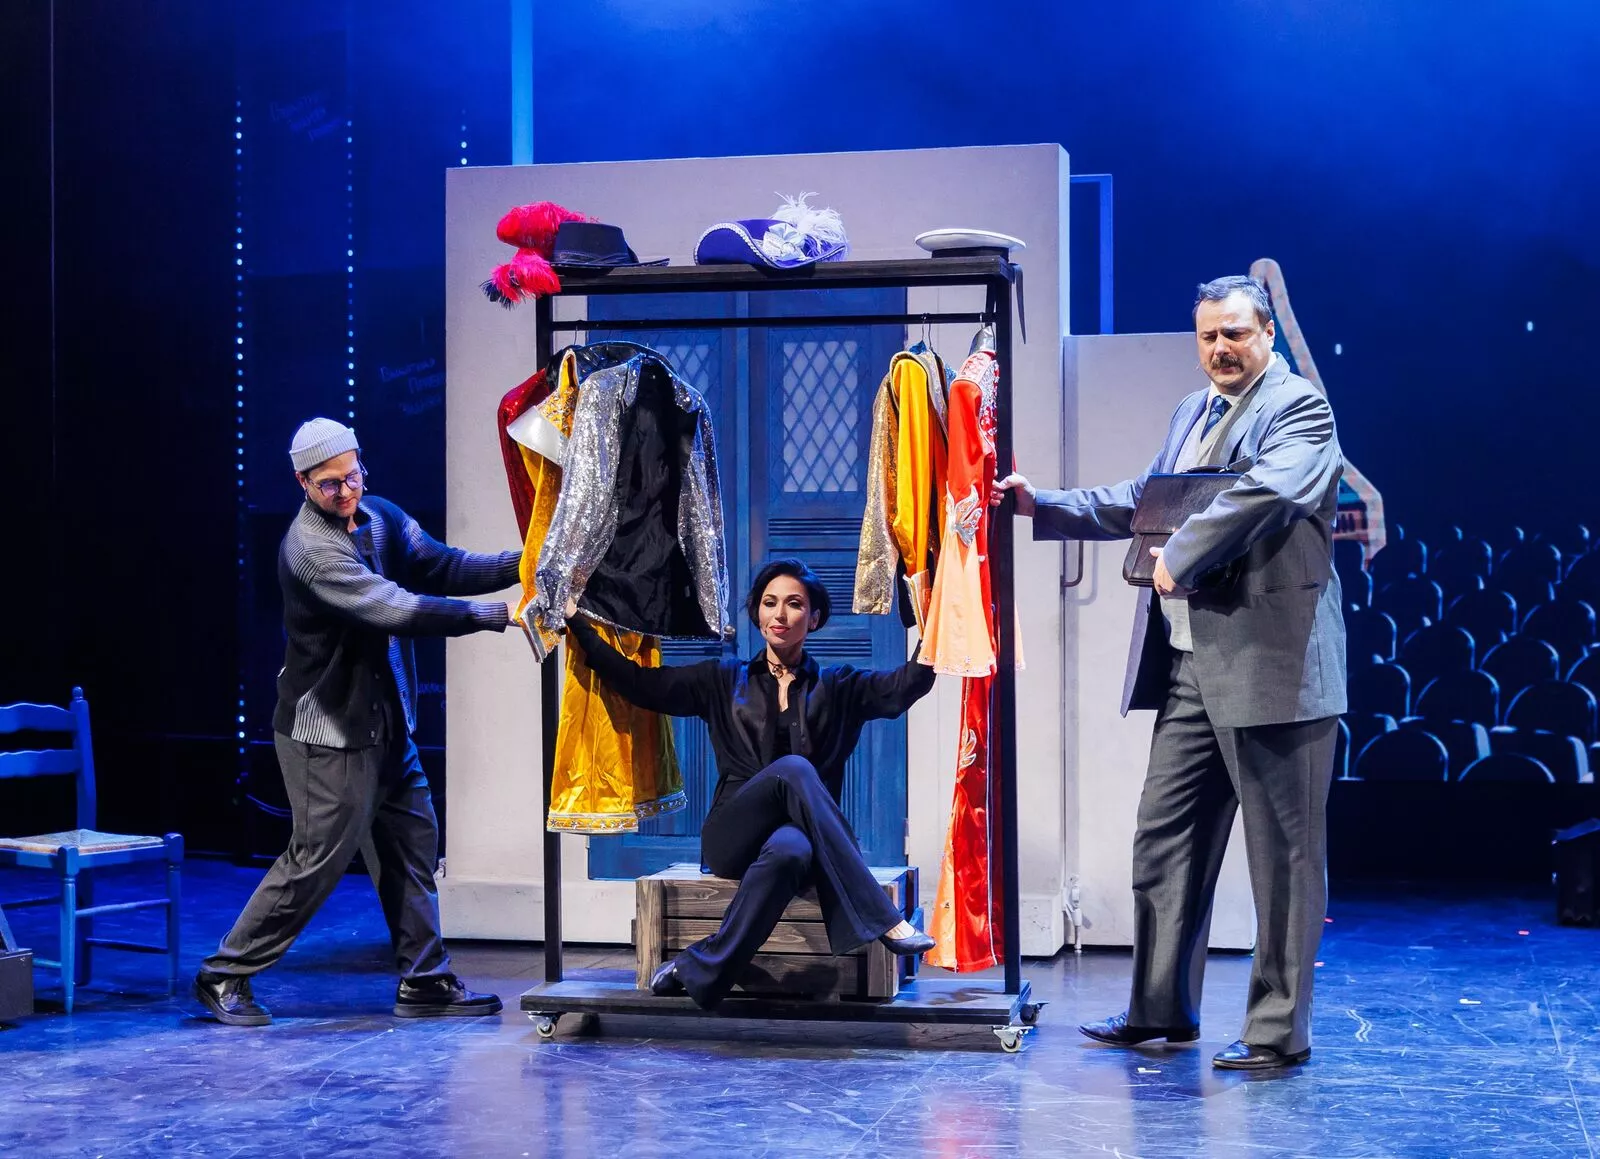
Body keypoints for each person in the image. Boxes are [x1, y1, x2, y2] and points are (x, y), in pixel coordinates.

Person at [994, 275, 1347, 1070]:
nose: (1221, 348)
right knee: (1165, 838)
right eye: (1209, 336)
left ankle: (1276, 1030)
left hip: (1275, 668)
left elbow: (1261, 494)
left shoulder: (1299, 408)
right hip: (1190, 662)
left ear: (1268, 335)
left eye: (1236, 333)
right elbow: (1148, 498)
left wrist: (1180, 553)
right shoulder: (1193, 411)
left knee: (1283, 860)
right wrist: (1044, 504)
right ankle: (1160, 1008)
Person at [193, 418, 521, 1026]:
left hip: (387, 721)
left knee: (411, 844)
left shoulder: (380, 516)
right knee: (316, 859)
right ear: (302, 483)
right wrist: (493, 615)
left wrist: (526, 563)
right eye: (329, 484)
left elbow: (444, 565)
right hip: (329, 734)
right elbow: (394, 607)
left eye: (352, 476)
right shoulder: (309, 550)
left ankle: (424, 979)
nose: (346, 491)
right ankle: (224, 973)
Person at [564, 558, 938, 1009]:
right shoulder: (721, 679)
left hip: (800, 839)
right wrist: (578, 625)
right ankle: (883, 919)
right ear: (758, 614)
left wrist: (938, 621)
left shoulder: (839, 686)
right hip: (732, 836)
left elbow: (905, 686)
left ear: (814, 618)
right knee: (795, 769)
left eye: (794, 604)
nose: (780, 614)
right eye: (769, 603)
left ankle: (698, 966)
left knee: (792, 851)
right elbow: (639, 683)